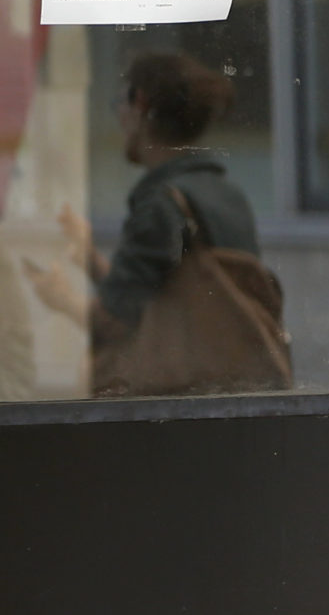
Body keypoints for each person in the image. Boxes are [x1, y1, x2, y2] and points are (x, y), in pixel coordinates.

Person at [22, 50, 284, 394]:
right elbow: (166, 295)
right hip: (231, 392)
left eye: (119, 102)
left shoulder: (162, 204)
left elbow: (113, 322)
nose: (117, 115)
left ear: (140, 104)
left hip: (175, 400)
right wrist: (90, 260)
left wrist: (60, 298)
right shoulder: (225, 194)